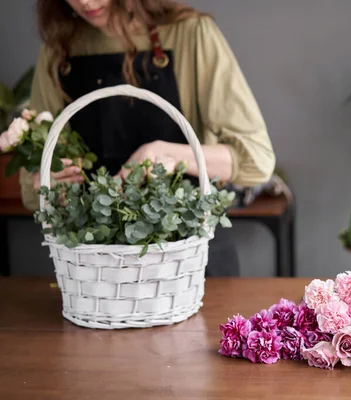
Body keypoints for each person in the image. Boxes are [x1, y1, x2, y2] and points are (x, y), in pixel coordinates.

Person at [19, 0, 276, 276]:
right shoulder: (59, 49)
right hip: (101, 265)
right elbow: (31, 192)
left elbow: (256, 159)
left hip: (193, 261)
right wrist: (47, 184)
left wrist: (160, 155)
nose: (85, 1)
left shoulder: (190, 33)